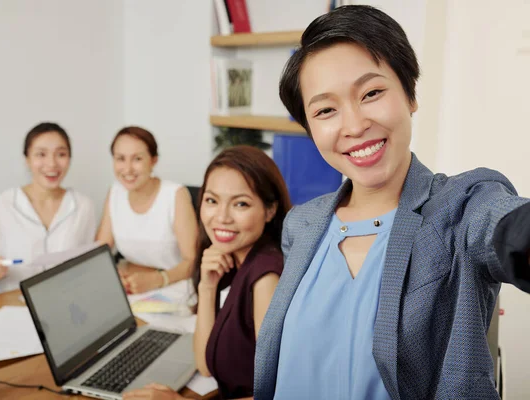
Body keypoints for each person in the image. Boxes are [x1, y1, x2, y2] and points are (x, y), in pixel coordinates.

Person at [253, 5, 530, 400]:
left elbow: (507, 227)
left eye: (371, 93)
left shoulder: (461, 207)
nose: (353, 126)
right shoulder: (302, 224)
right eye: (326, 110)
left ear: (410, 94)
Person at [123, 146, 291, 400]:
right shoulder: (234, 261)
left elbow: (280, 395)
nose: (221, 217)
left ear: (270, 210)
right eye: (212, 200)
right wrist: (207, 287)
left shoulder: (266, 278)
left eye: (241, 204)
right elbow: (204, 363)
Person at [0, 122, 97, 295]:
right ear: (27, 159)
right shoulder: (0, 205)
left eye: (61, 154)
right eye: (41, 154)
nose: (52, 163)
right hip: (12, 304)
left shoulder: (84, 206)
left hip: (66, 303)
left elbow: (89, 264)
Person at [96, 126, 198, 294]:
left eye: (137, 159)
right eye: (120, 159)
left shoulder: (175, 195)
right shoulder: (115, 192)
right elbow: (100, 253)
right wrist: (115, 277)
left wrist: (158, 280)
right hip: (129, 287)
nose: (127, 169)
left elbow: (192, 261)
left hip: (172, 287)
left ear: (153, 160)